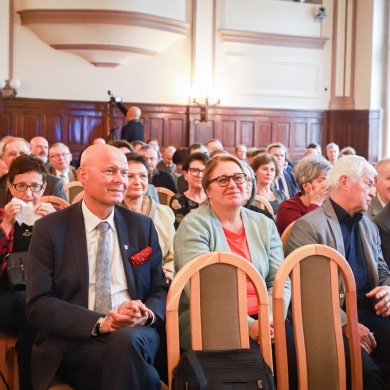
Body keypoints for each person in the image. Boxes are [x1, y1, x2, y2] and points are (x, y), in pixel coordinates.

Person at [26, 144, 168, 390]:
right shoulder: (50, 229)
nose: (120, 180)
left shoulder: (141, 226)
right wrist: (102, 323)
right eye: (110, 171)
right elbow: (39, 304)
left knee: (126, 341)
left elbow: (159, 289)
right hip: (78, 338)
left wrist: (143, 312)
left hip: (137, 333)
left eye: (124, 172)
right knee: (147, 378)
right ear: (83, 175)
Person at [174, 155, 295, 388]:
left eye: (238, 177)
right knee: (254, 362)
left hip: (266, 316)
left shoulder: (263, 223)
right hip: (208, 317)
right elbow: (202, 291)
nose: (233, 184)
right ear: (208, 190)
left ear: (248, 183)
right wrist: (249, 325)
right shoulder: (194, 225)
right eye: (222, 180)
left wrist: (269, 317)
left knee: (300, 350)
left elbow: (279, 280)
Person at [286, 155, 390, 389]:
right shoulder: (309, 226)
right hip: (328, 319)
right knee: (368, 375)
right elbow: (306, 291)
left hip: (369, 311)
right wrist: (344, 323)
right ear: (344, 182)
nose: (373, 192)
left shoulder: (370, 226)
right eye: (368, 183)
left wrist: (388, 290)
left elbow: (383, 271)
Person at [0, 154, 59, 390]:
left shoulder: (55, 216)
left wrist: (55, 227)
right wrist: (5, 226)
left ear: (44, 187)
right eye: (21, 186)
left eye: (35, 186)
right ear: (10, 186)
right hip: (8, 296)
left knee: (49, 306)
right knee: (33, 306)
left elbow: (75, 264)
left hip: (49, 294)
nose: (28, 194)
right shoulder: (2, 218)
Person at [122, 153, 175, 280]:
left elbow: (173, 255)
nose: (138, 182)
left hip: (161, 281)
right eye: (130, 176)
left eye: (143, 176)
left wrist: (167, 271)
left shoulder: (164, 213)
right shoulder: (111, 213)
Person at [0, 137, 67, 207]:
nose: (18, 157)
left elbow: (66, 214)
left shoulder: (54, 183)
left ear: (30, 155)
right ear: (3, 158)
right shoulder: (1, 182)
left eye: (22, 153)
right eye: (12, 154)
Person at [276, 155, 331, 234]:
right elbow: (306, 235)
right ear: (306, 186)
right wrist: (315, 202)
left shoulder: (328, 203)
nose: (327, 185)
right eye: (323, 180)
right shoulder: (287, 208)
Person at [169, 152, 209, 229]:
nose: (200, 175)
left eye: (204, 171)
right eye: (194, 170)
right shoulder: (178, 200)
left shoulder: (215, 199)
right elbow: (177, 230)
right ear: (185, 175)